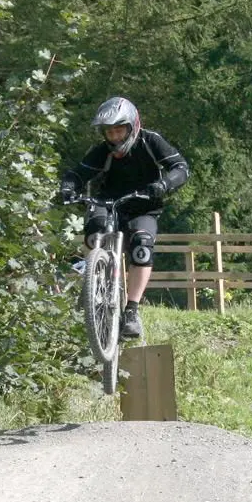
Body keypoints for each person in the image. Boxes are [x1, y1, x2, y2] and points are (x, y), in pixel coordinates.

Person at [59, 96, 190, 338]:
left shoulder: (151, 142)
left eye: (120, 130)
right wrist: (68, 188)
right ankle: (94, 284)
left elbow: (181, 168)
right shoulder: (101, 151)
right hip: (107, 202)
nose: (116, 137)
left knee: (142, 248)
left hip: (144, 206)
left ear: (133, 125)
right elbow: (78, 173)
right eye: (110, 133)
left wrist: (164, 184)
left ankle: (131, 310)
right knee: (94, 231)